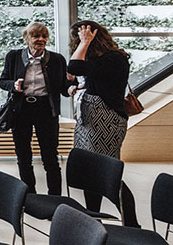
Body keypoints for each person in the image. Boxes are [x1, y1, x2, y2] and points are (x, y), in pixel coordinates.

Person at [68, 20, 138, 225]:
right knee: (90, 172)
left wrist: (84, 43)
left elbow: (74, 66)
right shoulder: (99, 60)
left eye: (77, 39)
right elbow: (93, 80)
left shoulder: (114, 58)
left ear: (93, 38)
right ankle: (93, 219)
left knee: (108, 173)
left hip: (106, 120)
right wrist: (79, 89)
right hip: (90, 120)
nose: (76, 43)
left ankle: (132, 223)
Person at [0, 21, 69, 195]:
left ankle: (55, 198)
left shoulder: (57, 59)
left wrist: (72, 86)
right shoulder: (14, 56)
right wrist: (14, 85)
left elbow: (64, 88)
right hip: (21, 110)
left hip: (46, 110)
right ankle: (29, 196)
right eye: (36, 36)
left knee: (50, 156)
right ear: (27, 38)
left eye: (44, 36)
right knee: (23, 155)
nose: (40, 39)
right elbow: (2, 81)